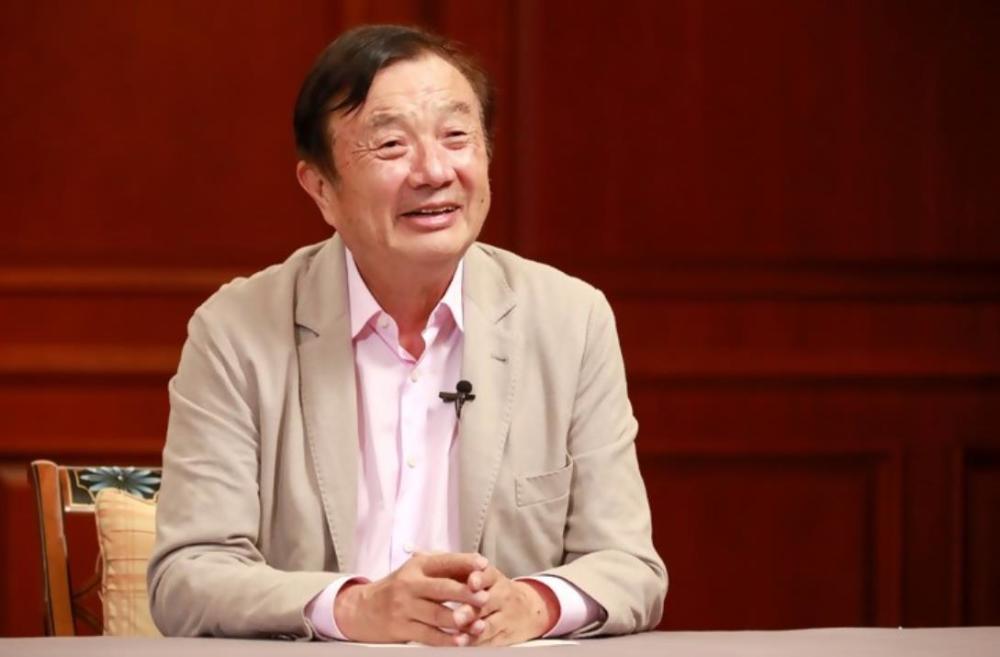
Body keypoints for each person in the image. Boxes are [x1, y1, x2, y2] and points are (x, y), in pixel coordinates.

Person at [147, 24, 666, 646]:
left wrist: (534, 604)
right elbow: (188, 576)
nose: (435, 171)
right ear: (321, 188)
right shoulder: (236, 331)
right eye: (391, 145)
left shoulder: (569, 319)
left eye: (456, 137)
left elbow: (629, 566)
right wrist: (355, 608)